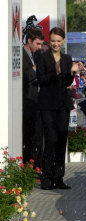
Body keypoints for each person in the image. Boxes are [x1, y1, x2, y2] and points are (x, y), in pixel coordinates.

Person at [36, 27, 83, 190]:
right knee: (51, 140)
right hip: (47, 105)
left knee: (62, 140)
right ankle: (46, 178)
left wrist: (72, 72)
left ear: (63, 41)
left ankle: (58, 178)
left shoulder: (67, 58)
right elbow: (41, 80)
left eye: (58, 41)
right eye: (53, 41)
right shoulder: (42, 57)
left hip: (63, 104)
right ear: (50, 41)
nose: (55, 44)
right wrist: (55, 72)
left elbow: (68, 83)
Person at [22, 27, 45, 166]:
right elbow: (21, 77)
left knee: (36, 138)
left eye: (41, 44)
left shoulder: (36, 55)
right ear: (29, 41)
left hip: (37, 103)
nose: (40, 47)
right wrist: (34, 69)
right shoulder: (20, 54)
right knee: (27, 138)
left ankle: (34, 166)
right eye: (37, 44)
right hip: (26, 103)